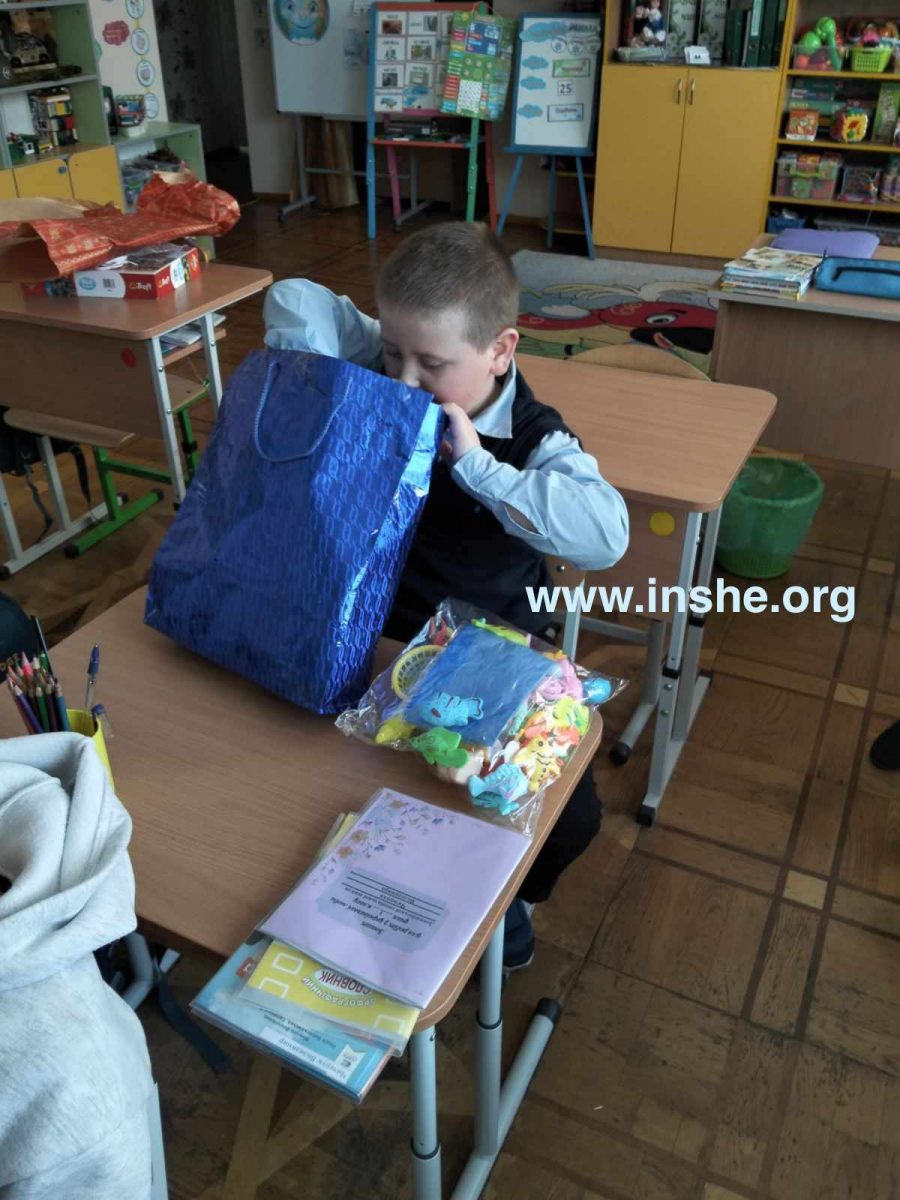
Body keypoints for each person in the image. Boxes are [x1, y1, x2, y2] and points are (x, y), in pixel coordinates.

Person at [264, 221, 629, 970]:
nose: (404, 382)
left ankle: (511, 905)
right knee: (313, 776)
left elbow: (605, 535)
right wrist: (343, 375)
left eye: (431, 365)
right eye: (392, 355)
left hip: (484, 651)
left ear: (501, 350)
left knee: (566, 819)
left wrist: (481, 468)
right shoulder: (395, 360)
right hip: (371, 638)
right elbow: (294, 295)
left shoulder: (533, 438)